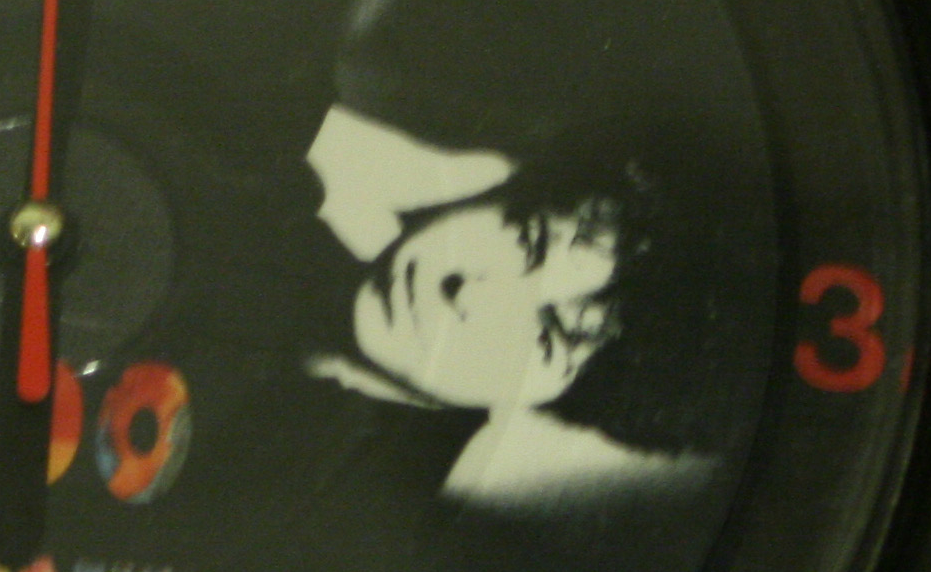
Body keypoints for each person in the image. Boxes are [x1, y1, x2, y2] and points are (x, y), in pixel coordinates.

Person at [306, 130, 722, 507]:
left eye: (545, 338)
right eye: (528, 239)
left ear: (544, 402)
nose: (466, 293)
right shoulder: (300, 180)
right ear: (497, 186)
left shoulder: (349, 512)